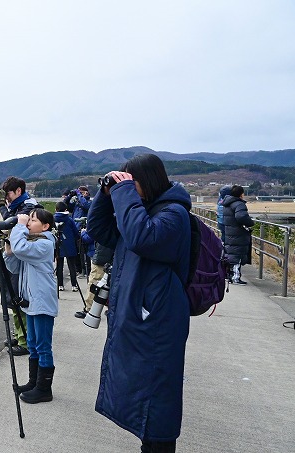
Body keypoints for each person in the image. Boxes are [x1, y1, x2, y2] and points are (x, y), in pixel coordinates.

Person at [86, 153, 192, 452]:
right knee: (140, 398)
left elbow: (142, 239)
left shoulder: (173, 214)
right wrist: (106, 195)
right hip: (142, 319)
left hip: (158, 323)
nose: (128, 187)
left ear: (148, 180)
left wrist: (123, 192)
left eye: (133, 182)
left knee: (156, 403)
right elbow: (99, 229)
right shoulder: (143, 211)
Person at [3, 208, 58, 404]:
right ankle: (33, 383)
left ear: (45, 226)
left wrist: (18, 226)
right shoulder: (33, 243)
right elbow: (15, 266)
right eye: (28, 220)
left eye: (32, 220)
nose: (28, 223)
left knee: (43, 346)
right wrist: (9, 253)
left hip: (42, 303)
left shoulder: (45, 244)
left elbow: (21, 249)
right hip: (32, 302)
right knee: (33, 344)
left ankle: (44, 389)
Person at [0, 176, 42, 356]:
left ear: (18, 191)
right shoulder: (15, 207)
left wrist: (2, 206)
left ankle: (26, 342)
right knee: (11, 299)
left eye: (7, 194)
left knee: (20, 300)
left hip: (20, 260)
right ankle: (20, 335)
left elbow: (11, 227)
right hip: (10, 256)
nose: (6, 198)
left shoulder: (30, 208)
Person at [222, 185, 254, 285]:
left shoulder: (227, 204)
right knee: (237, 255)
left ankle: (228, 275)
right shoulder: (239, 204)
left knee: (231, 253)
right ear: (241, 194)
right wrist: (250, 222)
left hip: (229, 232)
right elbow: (241, 216)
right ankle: (235, 277)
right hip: (238, 233)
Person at [77, 241, 114, 319]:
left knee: (94, 284)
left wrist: (84, 233)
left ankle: (88, 309)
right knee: (113, 285)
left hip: (102, 256)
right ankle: (112, 308)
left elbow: (91, 234)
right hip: (112, 257)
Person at [54, 201, 81, 292]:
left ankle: (60, 285)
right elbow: (75, 232)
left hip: (58, 244)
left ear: (56, 209)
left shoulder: (53, 219)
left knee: (59, 266)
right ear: (65, 209)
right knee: (72, 266)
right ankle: (74, 285)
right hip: (69, 244)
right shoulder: (69, 219)